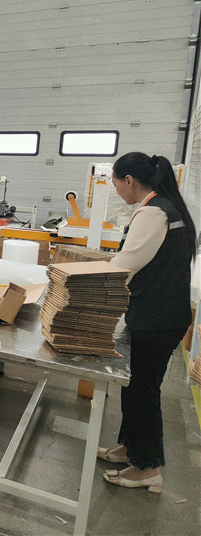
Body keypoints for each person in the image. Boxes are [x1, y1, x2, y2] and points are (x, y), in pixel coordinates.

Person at [97, 152, 196, 492]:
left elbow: (127, 262)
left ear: (129, 180)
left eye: (116, 184)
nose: (116, 191)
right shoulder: (167, 207)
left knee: (143, 391)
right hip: (160, 314)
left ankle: (148, 467)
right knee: (134, 385)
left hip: (157, 318)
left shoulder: (153, 212)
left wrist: (87, 283)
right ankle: (131, 449)